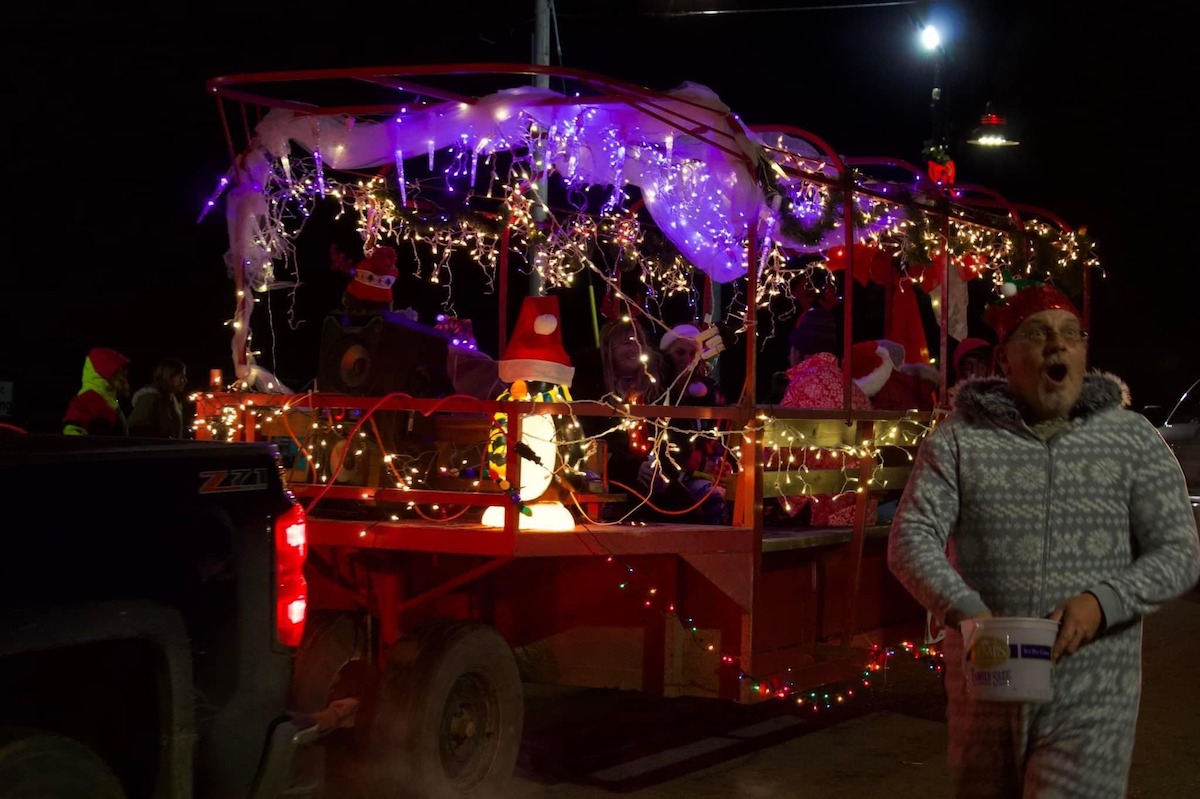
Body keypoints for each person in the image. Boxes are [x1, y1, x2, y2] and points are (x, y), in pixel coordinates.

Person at [887, 282, 1200, 798]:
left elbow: (1178, 552)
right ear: (1004, 360)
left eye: (1069, 334)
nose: (1057, 344)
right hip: (987, 686)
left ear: (1083, 352)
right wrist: (964, 608)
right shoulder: (960, 440)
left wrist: (1101, 603)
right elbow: (911, 537)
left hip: (1093, 688)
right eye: (1036, 333)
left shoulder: (1132, 438)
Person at [62, 347, 131, 436]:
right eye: (119, 371)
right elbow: (72, 431)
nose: (124, 376)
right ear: (105, 371)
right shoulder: (87, 399)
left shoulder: (110, 400)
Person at [129, 357, 190, 438]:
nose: (185, 380)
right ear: (168, 377)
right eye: (181, 377)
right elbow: (136, 428)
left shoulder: (171, 398)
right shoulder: (150, 398)